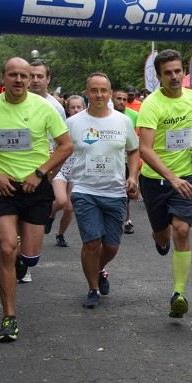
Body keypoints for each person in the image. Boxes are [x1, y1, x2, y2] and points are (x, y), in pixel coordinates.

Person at [0, 57, 72, 342]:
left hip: (35, 187)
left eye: (24, 75)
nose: (20, 80)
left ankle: (24, 261)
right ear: (3, 77)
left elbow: (66, 145)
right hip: (4, 188)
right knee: (7, 249)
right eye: (14, 75)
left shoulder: (44, 108)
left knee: (30, 258)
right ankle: (8, 316)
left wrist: (41, 173)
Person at [137, 49, 192, 319]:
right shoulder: (152, 105)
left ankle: (178, 293)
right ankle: (160, 239)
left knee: (182, 230)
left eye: (178, 71)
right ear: (158, 76)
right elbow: (145, 149)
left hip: (186, 176)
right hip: (156, 181)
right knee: (163, 235)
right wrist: (170, 178)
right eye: (168, 73)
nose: (175, 76)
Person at [66, 73, 139, 309]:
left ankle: (98, 269)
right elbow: (59, 150)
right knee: (92, 242)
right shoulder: (74, 122)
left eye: (103, 90)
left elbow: (134, 150)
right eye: (94, 90)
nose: (99, 95)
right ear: (87, 92)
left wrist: (133, 176)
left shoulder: (122, 121)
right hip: (84, 189)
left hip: (115, 192)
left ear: (110, 93)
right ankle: (92, 288)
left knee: (111, 245)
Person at [52, 95, 86, 247]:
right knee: (61, 201)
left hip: (76, 170)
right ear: (67, 109)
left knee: (69, 208)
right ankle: (51, 214)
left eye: (79, 107)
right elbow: (55, 145)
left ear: (84, 107)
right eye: (72, 107)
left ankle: (60, 234)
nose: (76, 110)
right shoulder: (63, 125)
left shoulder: (89, 126)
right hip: (60, 168)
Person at [109, 88, 138, 235]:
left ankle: (126, 219)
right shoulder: (105, 115)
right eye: (118, 98)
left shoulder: (133, 116)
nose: (121, 102)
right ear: (112, 99)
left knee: (129, 192)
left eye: (124, 99)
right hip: (111, 160)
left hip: (127, 159)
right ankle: (121, 219)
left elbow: (136, 140)